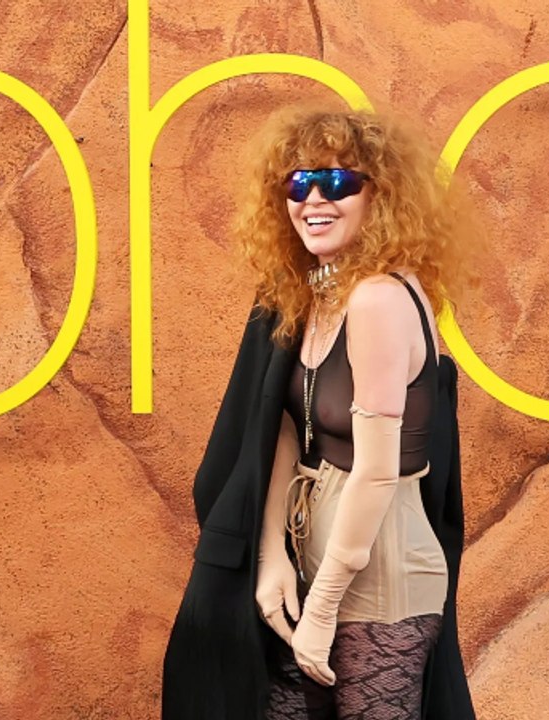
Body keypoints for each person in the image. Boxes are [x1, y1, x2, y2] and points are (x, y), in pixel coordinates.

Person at [159, 105, 481, 720]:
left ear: (380, 196)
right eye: (298, 183)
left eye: (337, 181)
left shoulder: (379, 299)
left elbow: (377, 473)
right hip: (313, 557)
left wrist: (325, 604)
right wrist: (271, 558)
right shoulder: (316, 293)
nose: (313, 199)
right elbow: (288, 426)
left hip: (381, 574)